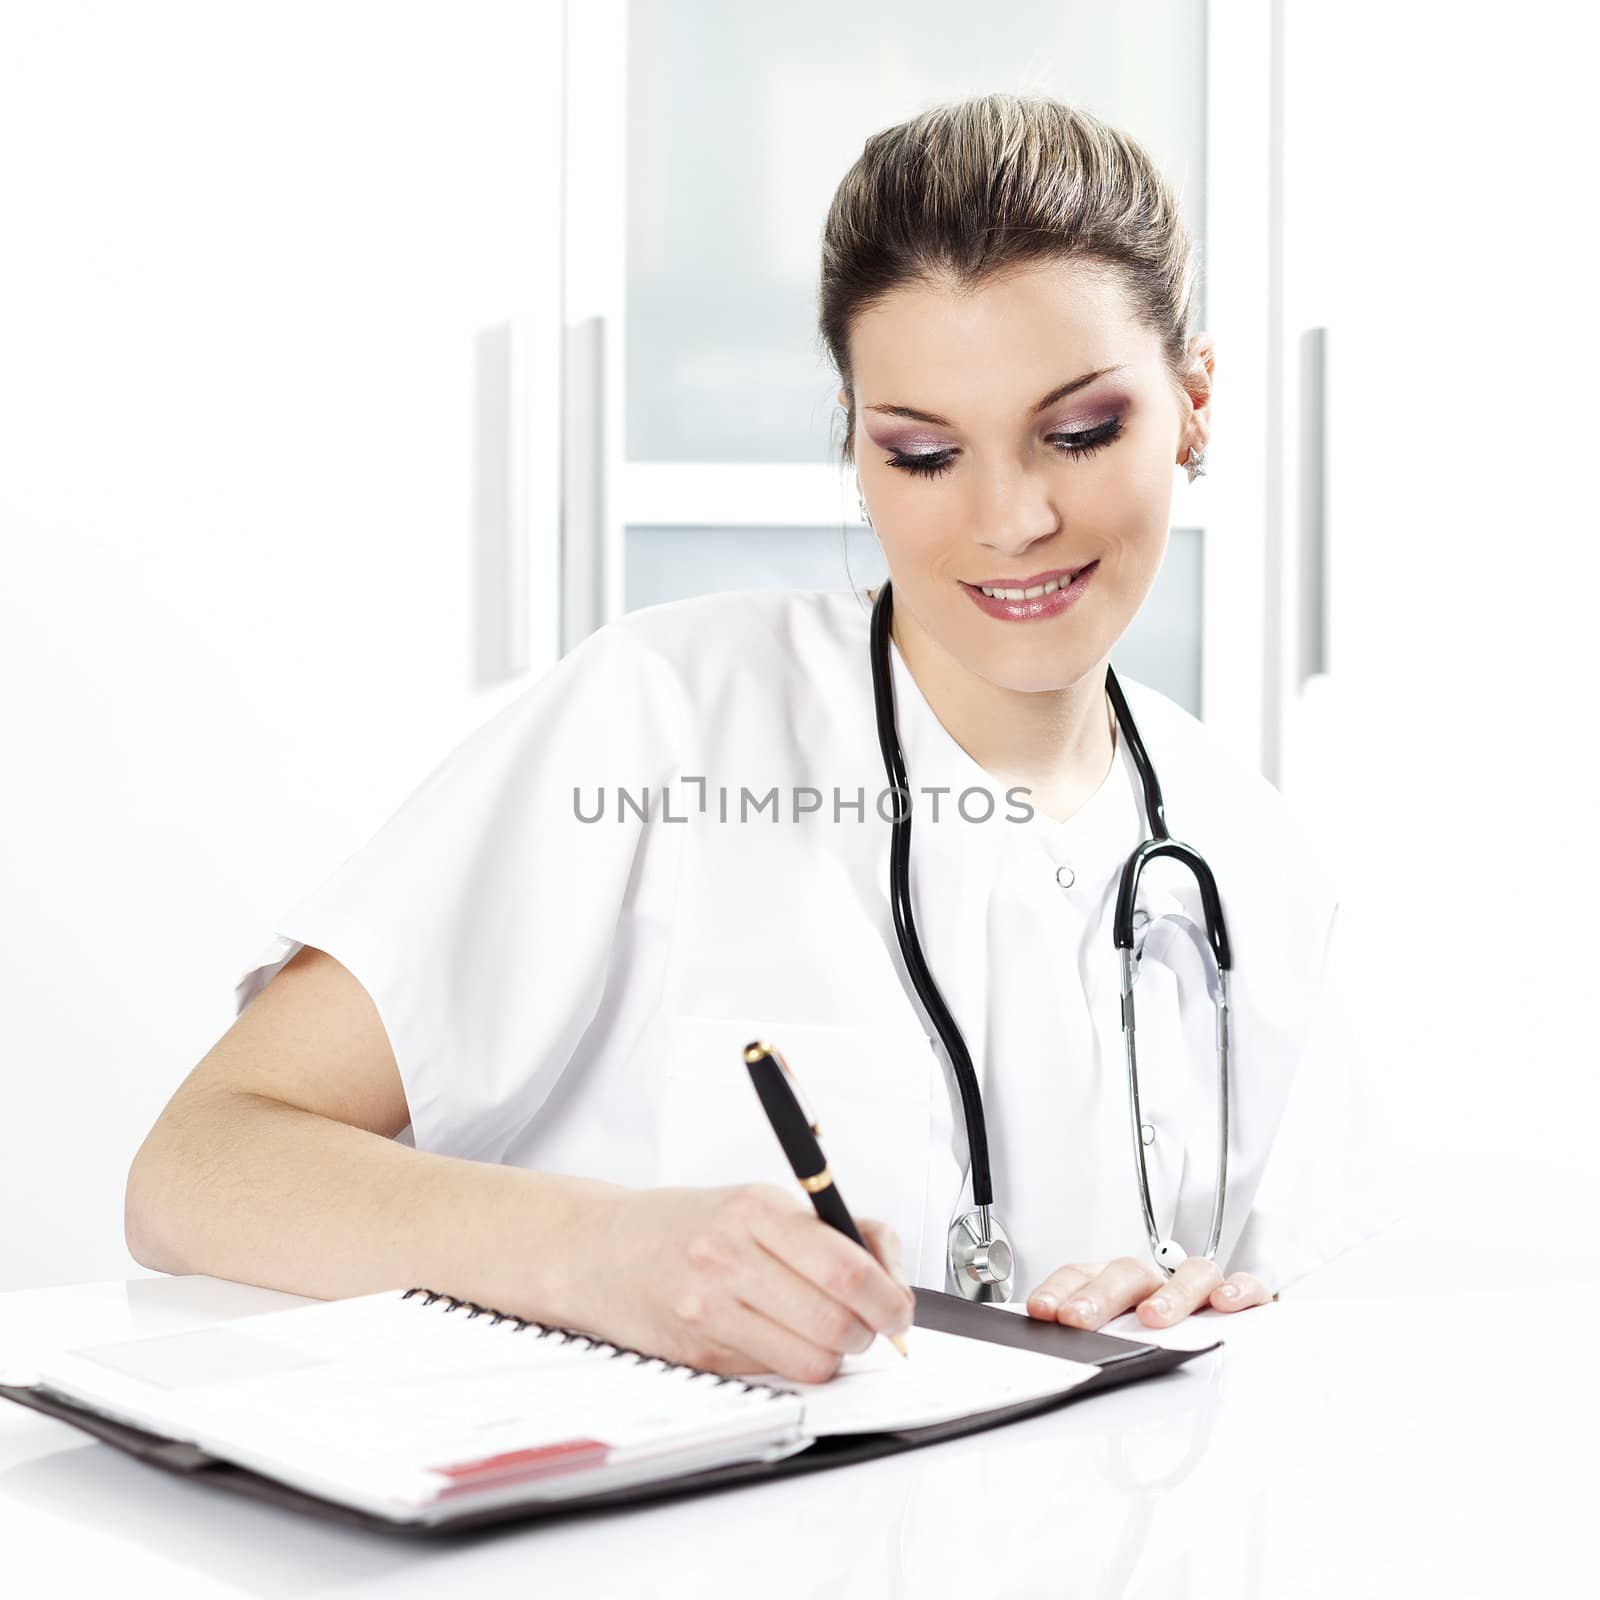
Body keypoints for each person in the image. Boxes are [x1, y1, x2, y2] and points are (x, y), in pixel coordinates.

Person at [125, 93, 1401, 1385]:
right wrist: (604, 1255)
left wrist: (1186, 1314)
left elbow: (1256, 1335)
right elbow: (199, 1166)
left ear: (1192, 403)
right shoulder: (665, 717)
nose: (1011, 516)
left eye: (1077, 433)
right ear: (854, 446)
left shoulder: (1251, 854)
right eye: (922, 453)